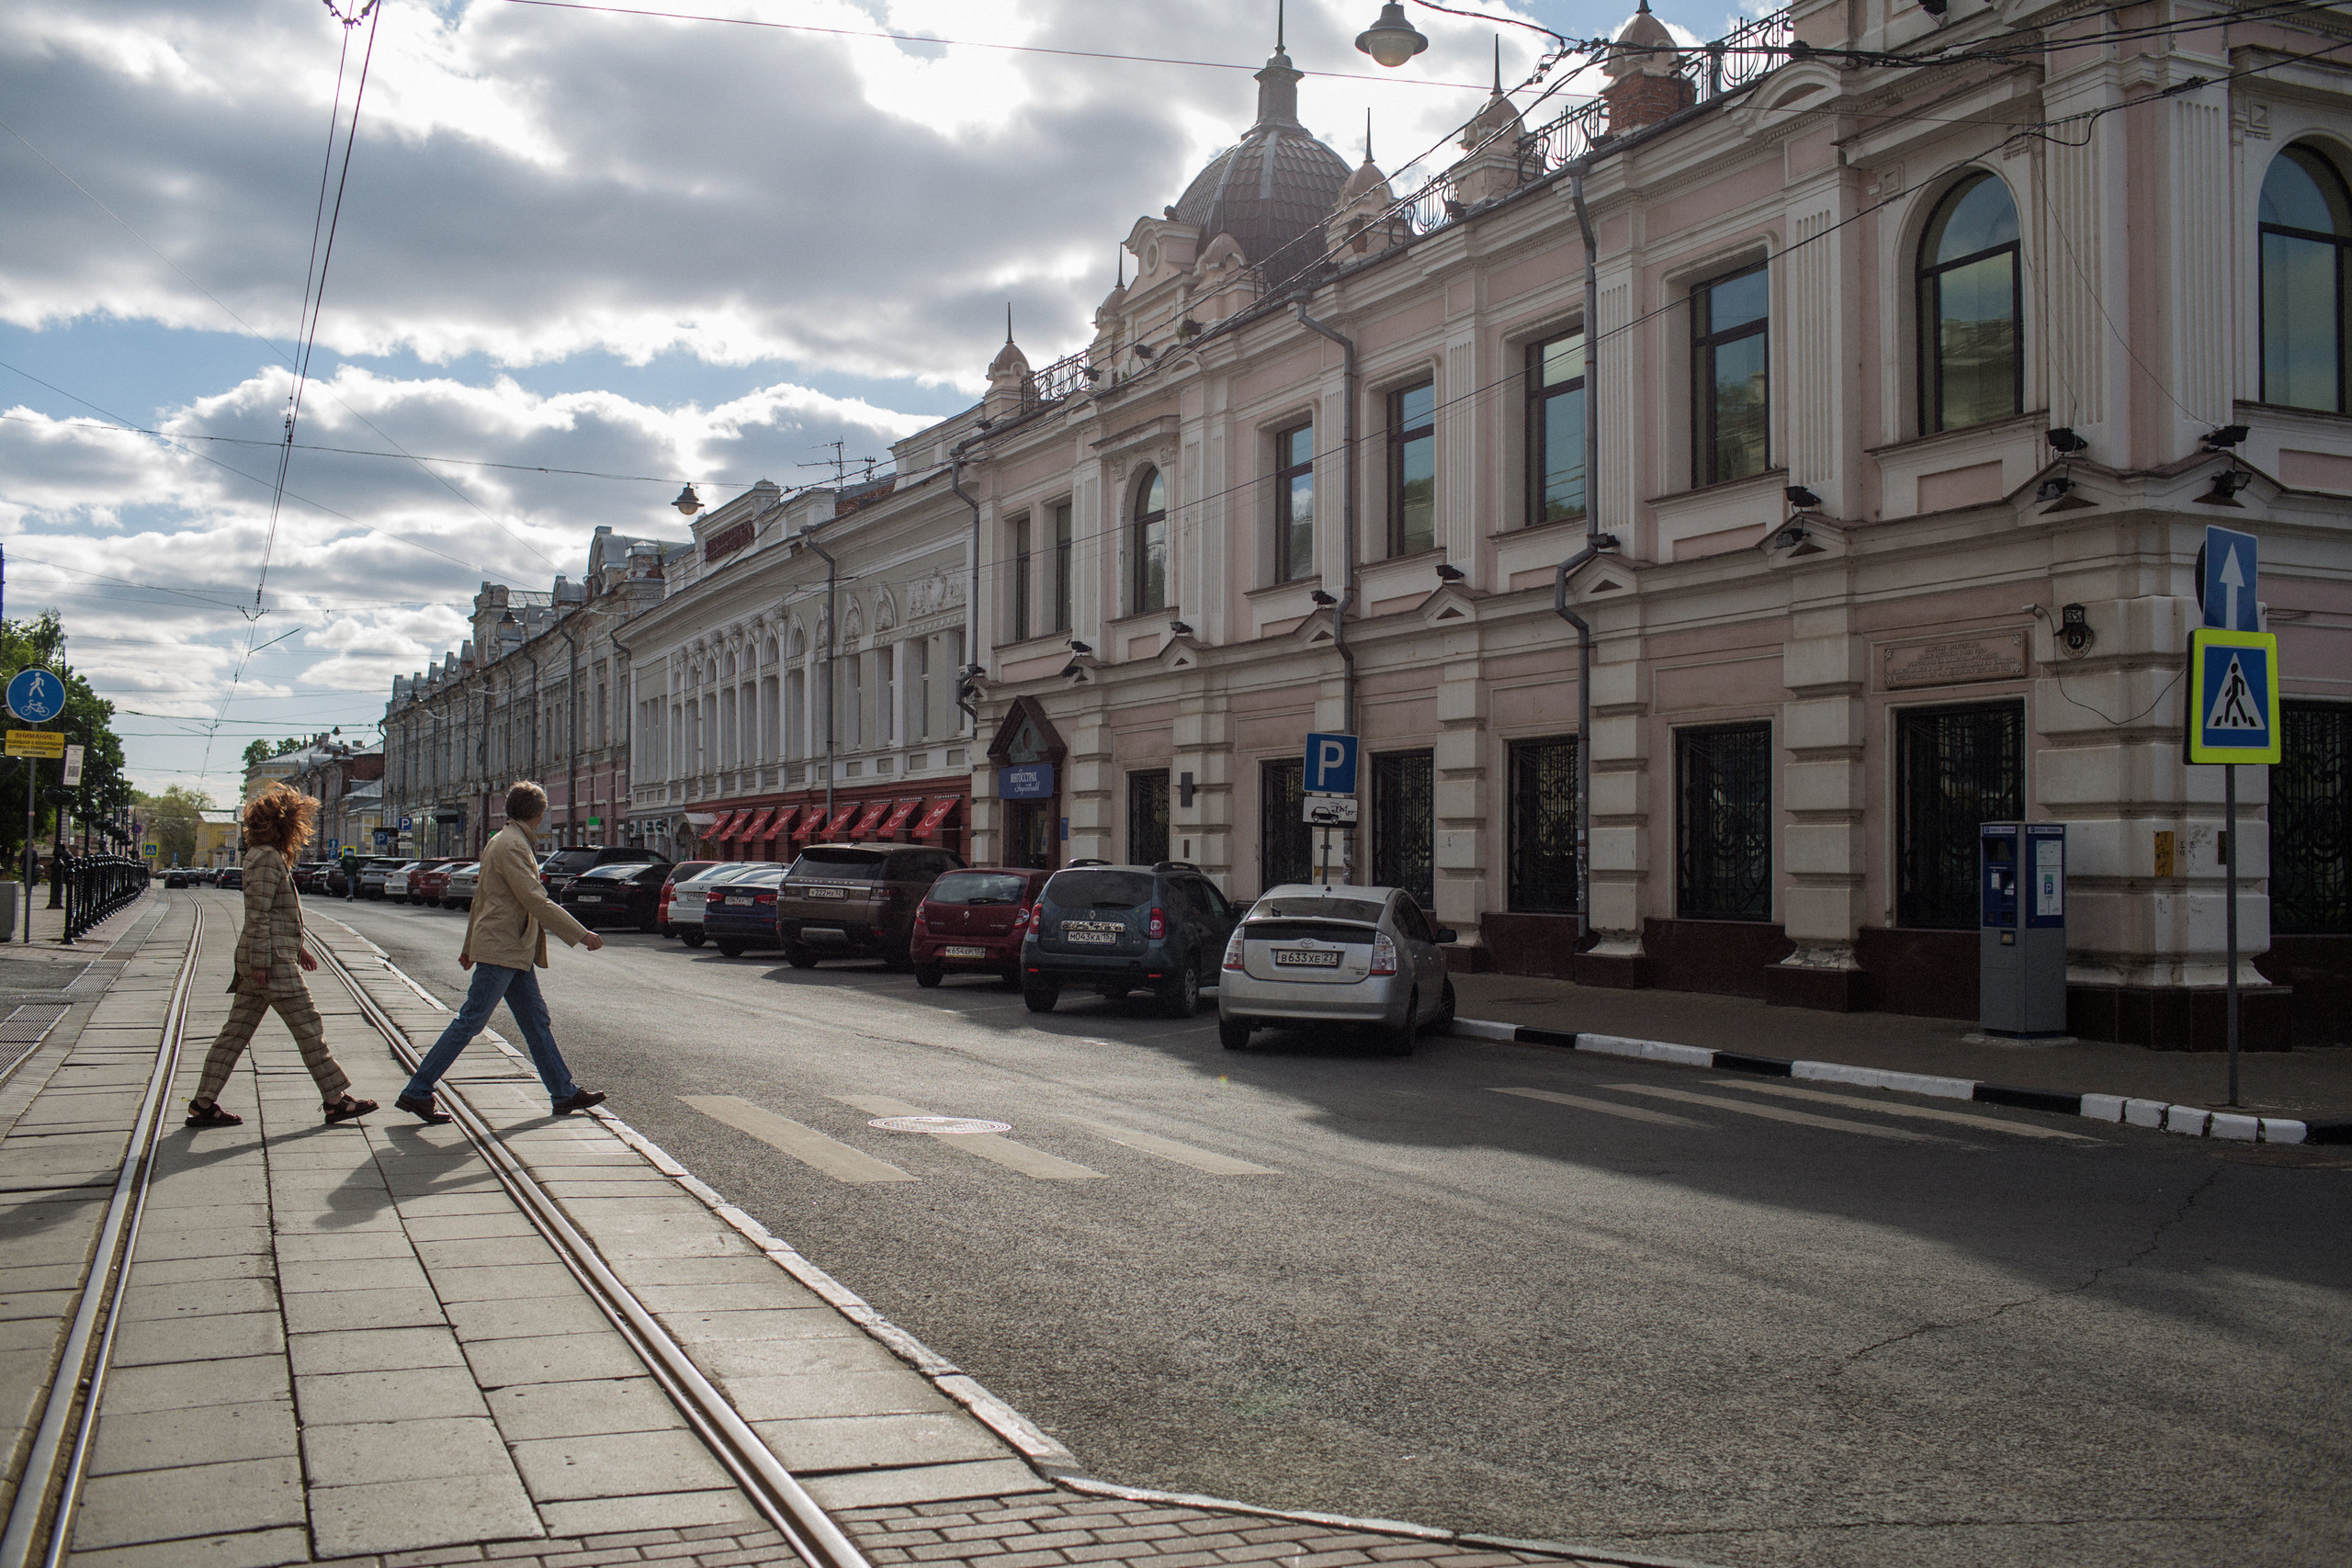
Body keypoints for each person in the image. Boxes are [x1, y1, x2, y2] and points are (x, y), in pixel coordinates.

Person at [396, 781, 606, 1123]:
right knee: (471, 1021)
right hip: (503, 948)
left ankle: (563, 1092)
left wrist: (469, 946)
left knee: (536, 1021)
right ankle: (418, 1090)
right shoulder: (512, 846)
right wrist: (580, 934)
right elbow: (534, 899)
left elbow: (483, 900)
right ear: (539, 813)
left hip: (511, 948)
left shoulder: (504, 840)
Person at [186, 784, 377, 1128]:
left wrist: (298, 947)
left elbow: (274, 914)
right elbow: (257, 914)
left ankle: (203, 1104)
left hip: (268, 955)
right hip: (269, 962)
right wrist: (262, 962)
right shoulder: (266, 859)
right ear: (285, 825)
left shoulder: (263, 856)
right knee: (308, 1026)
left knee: (235, 1034)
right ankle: (335, 1100)